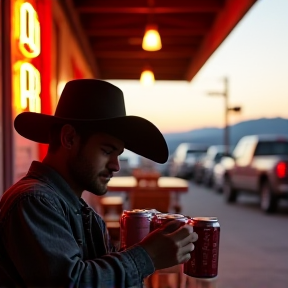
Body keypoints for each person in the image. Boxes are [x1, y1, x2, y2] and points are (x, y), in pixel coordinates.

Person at [0, 79, 198, 288]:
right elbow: (71, 283)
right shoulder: (33, 201)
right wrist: (147, 255)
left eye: (118, 155)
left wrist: (147, 250)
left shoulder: (82, 211)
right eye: (106, 151)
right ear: (68, 138)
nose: (116, 166)